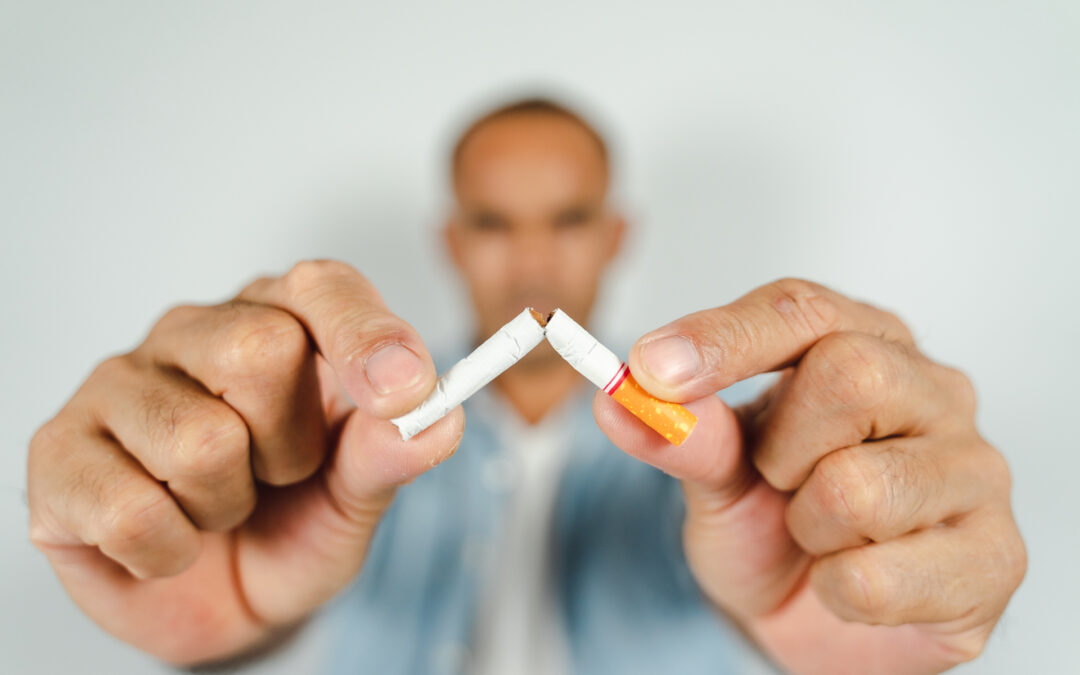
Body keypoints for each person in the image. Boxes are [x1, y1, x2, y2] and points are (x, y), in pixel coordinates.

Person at [26, 97, 1027, 675]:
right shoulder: (342, 432)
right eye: (496, 223)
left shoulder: (724, 448)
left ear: (618, 233)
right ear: (452, 241)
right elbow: (255, 603)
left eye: (569, 217)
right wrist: (216, 586)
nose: (533, 262)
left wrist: (867, 570)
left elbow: (801, 586)